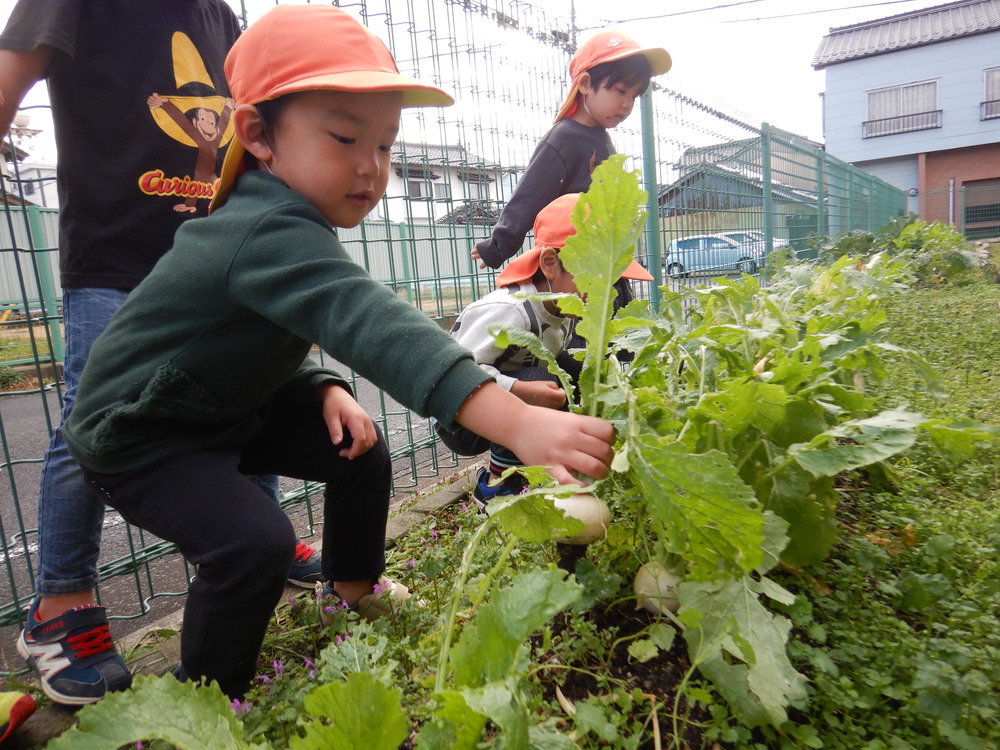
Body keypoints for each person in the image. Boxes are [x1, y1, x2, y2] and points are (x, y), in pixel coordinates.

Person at [59, 4, 615, 700]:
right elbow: (367, 320)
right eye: (346, 138)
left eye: (384, 146)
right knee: (251, 545)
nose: (370, 167)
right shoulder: (263, 226)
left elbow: (260, 337)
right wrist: (516, 421)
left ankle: (352, 585)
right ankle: (200, 700)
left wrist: (322, 384)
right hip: (141, 433)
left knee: (357, 445)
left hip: (213, 406)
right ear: (258, 134)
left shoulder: (287, 219)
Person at [0, 0, 321, 707]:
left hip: (215, 253)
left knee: (246, 393)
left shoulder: (220, 14)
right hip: (117, 255)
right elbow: (11, 71)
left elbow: (257, 113)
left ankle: (258, 544)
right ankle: (62, 606)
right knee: (94, 418)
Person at [441, 193, 652, 507]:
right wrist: (521, 389)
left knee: (580, 369)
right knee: (542, 377)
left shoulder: (561, 307)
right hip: (459, 413)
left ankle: (546, 465)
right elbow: (453, 374)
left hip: (508, 393)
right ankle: (498, 486)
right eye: (596, 276)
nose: (606, 289)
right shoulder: (508, 311)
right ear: (550, 264)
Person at [471, 29, 670, 311]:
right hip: (575, 271)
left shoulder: (600, 137)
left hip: (607, 261)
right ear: (586, 83)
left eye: (635, 95)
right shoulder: (563, 138)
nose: (627, 104)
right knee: (580, 343)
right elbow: (530, 195)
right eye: (621, 91)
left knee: (616, 339)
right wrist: (498, 245)